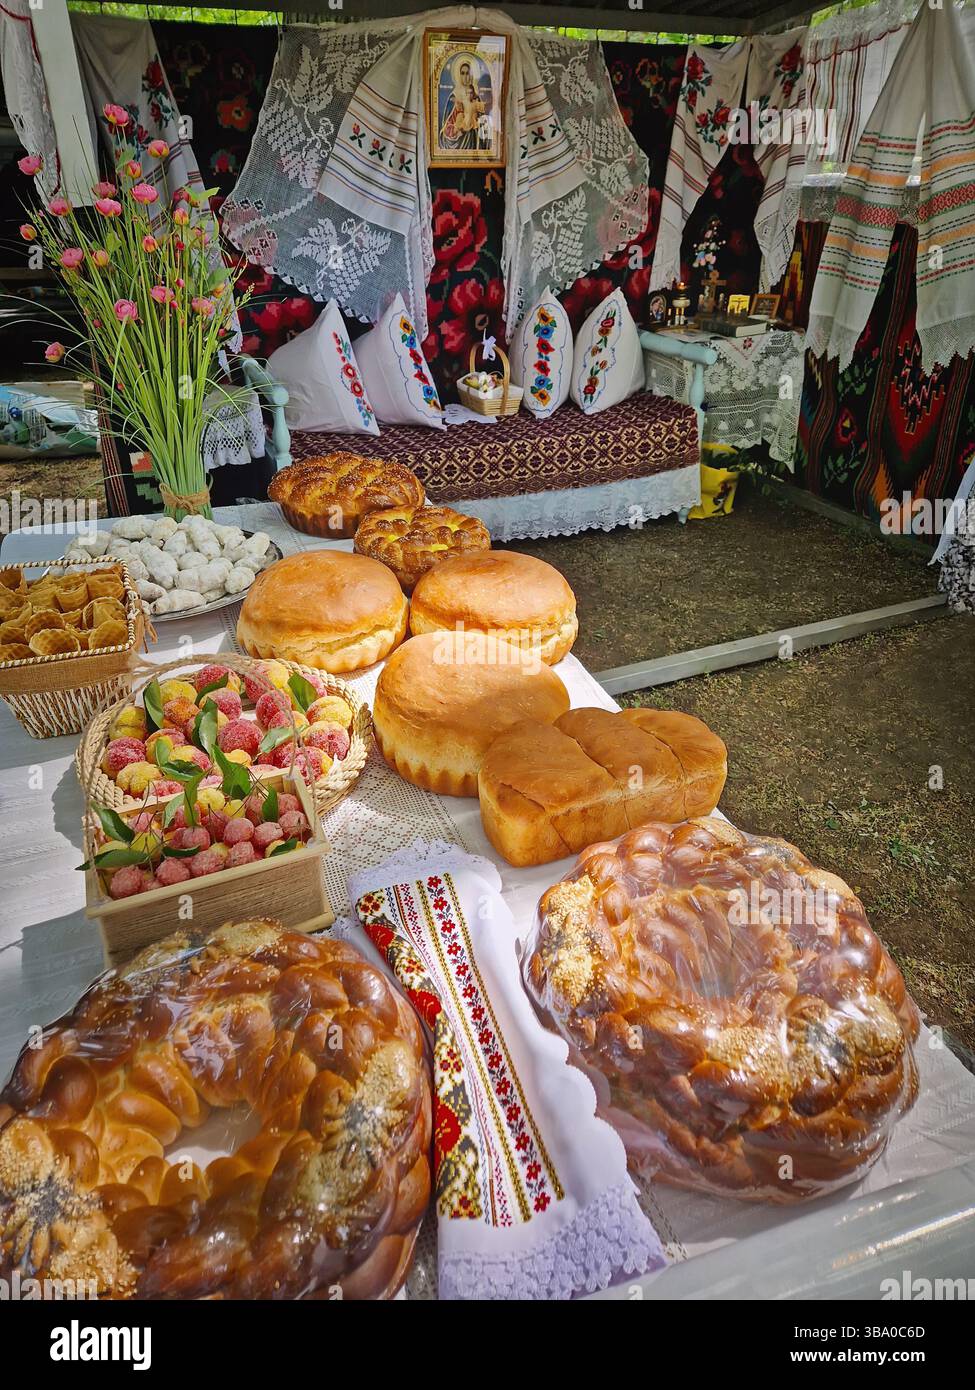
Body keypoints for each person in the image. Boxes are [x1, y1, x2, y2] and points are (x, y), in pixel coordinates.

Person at [440, 54, 490, 151]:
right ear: (458, 75)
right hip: (459, 138)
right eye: (462, 73)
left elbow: (482, 120)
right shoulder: (453, 97)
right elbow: (446, 124)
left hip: (473, 138)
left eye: (467, 73)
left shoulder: (476, 96)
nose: (465, 76)